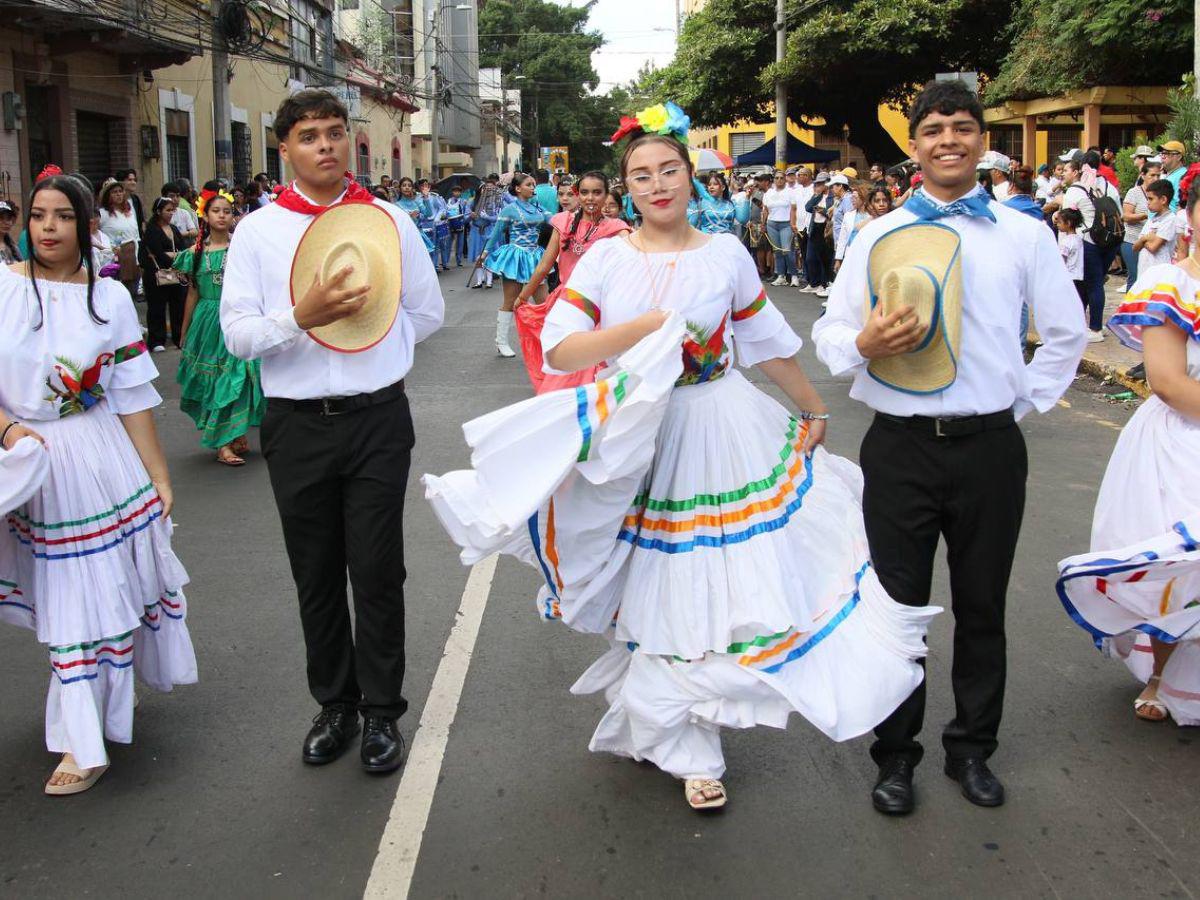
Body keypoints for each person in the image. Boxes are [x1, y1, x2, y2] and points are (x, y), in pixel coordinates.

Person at [425, 102, 938, 812]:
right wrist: (639, 332)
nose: (657, 184)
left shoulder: (726, 253)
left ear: (688, 177)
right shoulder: (606, 257)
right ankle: (674, 730)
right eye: (642, 175)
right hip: (644, 434)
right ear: (625, 187)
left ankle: (691, 737)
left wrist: (813, 408)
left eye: (669, 170)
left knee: (720, 586)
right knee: (655, 589)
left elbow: (764, 342)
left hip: (724, 427)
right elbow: (561, 344)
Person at [812, 79, 1087, 816]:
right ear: (915, 144)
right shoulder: (873, 236)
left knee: (982, 606)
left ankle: (972, 750)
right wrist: (863, 344)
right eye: (933, 129)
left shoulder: (1025, 234)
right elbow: (832, 333)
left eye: (962, 127)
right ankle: (895, 757)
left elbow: (1064, 335)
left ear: (982, 139)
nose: (948, 140)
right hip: (898, 448)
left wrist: (1016, 405)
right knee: (899, 607)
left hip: (990, 450)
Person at [220, 89, 444, 775]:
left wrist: (367, 341)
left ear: (349, 141)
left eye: (335, 133)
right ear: (284, 148)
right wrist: (305, 314)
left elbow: (426, 312)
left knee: (377, 570)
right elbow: (237, 337)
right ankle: (335, 705)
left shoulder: (389, 221)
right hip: (293, 426)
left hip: (377, 417)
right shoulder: (258, 233)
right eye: (309, 135)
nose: (325, 145)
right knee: (314, 573)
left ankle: (382, 714)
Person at [0, 173, 195, 795]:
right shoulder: (2, 289)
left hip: (101, 459)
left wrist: (159, 474)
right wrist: (9, 432)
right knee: (69, 601)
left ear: (87, 228)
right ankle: (90, 720)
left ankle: (87, 737)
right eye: (37, 215)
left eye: (61, 216)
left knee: (92, 598)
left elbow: (133, 394)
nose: (48, 227)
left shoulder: (108, 299)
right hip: (31, 463)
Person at [1057, 189, 1200, 725]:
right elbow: (1166, 381)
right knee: (1179, 564)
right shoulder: (1172, 284)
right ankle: (1163, 676)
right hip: (1184, 442)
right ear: (1188, 214)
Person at [512, 171, 630, 392]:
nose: (590, 198)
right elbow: (544, 266)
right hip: (565, 305)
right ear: (578, 194)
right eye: (584, 192)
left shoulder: (616, 229)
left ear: (606, 196)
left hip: (598, 308)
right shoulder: (563, 222)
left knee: (592, 368)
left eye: (597, 193)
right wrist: (523, 296)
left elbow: (636, 262)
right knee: (566, 367)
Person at [175, 189, 264, 467]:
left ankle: (233, 434)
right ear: (204, 215)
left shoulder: (241, 247)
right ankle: (223, 442)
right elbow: (193, 293)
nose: (222, 215)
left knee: (239, 375)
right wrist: (185, 329)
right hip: (208, 320)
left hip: (236, 317)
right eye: (216, 211)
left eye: (227, 211)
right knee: (215, 380)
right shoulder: (195, 254)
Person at [1055, 149, 1124, 342]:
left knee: (1091, 285)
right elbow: (1118, 212)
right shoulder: (1109, 186)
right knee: (1095, 283)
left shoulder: (1076, 189)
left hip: (1089, 242)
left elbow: (1067, 222)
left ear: (1078, 168)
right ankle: (1090, 322)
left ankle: (1094, 329)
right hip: (1110, 240)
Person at [478, 172, 549, 358]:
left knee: (544, 302)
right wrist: (485, 254)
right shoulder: (509, 209)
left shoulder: (538, 208)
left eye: (534, 184)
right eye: (529, 184)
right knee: (510, 301)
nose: (533, 188)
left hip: (535, 257)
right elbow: (496, 234)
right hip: (515, 257)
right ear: (518, 188)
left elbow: (556, 221)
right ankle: (501, 342)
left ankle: (547, 341)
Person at [142, 196, 187, 352]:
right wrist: (172, 256)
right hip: (157, 274)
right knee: (157, 307)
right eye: (167, 210)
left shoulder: (174, 229)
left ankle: (178, 337)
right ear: (158, 211)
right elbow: (157, 253)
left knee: (178, 306)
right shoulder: (152, 230)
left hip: (176, 273)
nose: (170, 213)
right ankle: (156, 340)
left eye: (172, 210)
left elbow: (183, 249)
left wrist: (175, 256)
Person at [1121, 158, 1162, 290]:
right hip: (1132, 240)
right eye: (1152, 175)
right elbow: (1126, 216)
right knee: (1135, 277)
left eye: (1158, 175)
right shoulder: (1134, 192)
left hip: (1152, 241)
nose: (1155, 178)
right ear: (1143, 175)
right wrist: (1145, 215)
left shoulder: (1161, 194)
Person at [97, 178, 141, 299]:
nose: (118, 194)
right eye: (114, 192)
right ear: (108, 195)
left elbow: (136, 233)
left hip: (133, 255)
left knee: (132, 290)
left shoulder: (129, 212)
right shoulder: (103, 213)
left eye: (120, 191)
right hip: (115, 256)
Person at [1133, 179, 1178, 273]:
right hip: (1144, 271)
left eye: (1151, 199)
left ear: (1163, 200)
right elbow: (1135, 247)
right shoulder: (1151, 220)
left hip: (1159, 273)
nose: (1148, 202)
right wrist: (1145, 238)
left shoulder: (1170, 219)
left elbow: (1154, 247)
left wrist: (1143, 241)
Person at [763, 171, 798, 286]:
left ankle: (794, 275)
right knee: (777, 252)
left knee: (787, 251)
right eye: (777, 178)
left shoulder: (790, 192)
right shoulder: (768, 193)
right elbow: (765, 210)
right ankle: (781, 275)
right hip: (771, 223)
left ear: (785, 179)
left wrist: (793, 224)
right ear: (774, 180)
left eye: (781, 178)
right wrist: (763, 224)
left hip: (786, 224)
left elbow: (793, 209)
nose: (779, 180)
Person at [468, 175, 504, 288]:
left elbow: (499, 218)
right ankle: (479, 281)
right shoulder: (473, 201)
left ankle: (489, 281)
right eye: (485, 188)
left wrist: (487, 217)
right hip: (476, 231)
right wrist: (471, 216)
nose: (487, 190)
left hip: (489, 230)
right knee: (478, 257)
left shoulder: (497, 202)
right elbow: (465, 217)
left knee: (488, 256)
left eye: (490, 188)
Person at [689, 172, 749, 236]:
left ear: (723, 187)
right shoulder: (701, 203)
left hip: (726, 242)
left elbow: (743, 220)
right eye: (709, 185)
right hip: (707, 241)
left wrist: (746, 199)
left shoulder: (731, 204)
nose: (711, 187)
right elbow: (691, 225)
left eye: (715, 184)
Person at [804, 172, 835, 297]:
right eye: (817, 184)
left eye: (821, 183)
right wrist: (817, 195)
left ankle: (824, 284)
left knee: (824, 258)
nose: (818, 186)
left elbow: (834, 214)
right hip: (814, 228)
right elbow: (808, 207)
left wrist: (824, 212)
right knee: (810, 258)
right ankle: (814, 283)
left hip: (825, 228)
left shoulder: (832, 197)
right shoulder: (817, 195)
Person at [1054, 208, 1086, 306]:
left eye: (1059, 222)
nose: (1057, 224)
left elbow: (1061, 260)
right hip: (1079, 277)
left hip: (1068, 278)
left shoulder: (1066, 241)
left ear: (1068, 223)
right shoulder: (1079, 239)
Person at [1159, 140, 1187, 210]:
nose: (1163, 156)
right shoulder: (1171, 174)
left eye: (1167, 153)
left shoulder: (1183, 176)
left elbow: (1181, 206)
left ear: (1179, 157)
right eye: (1162, 153)